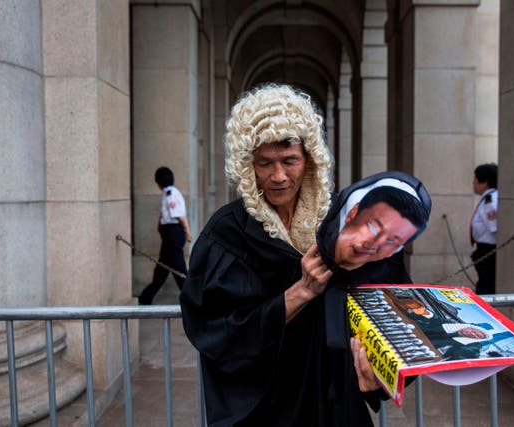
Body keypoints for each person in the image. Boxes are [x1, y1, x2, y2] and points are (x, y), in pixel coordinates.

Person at [181, 84, 430, 426]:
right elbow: (212, 330)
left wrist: (384, 373)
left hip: (337, 402)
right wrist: (300, 293)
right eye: (264, 163)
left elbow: (394, 308)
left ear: (310, 158)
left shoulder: (346, 225)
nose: (279, 176)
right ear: (246, 165)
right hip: (266, 409)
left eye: (289, 161)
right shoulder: (226, 235)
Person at [139, 166, 193, 305]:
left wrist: (187, 231)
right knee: (162, 269)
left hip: (173, 234)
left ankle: (193, 299)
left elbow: (179, 216)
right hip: (170, 235)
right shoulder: (170, 192)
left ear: (159, 182)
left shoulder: (170, 193)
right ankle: (145, 298)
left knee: (179, 268)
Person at [470, 163, 498, 295]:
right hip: (484, 248)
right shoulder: (488, 197)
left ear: (484, 182)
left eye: (475, 179)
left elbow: (493, 226)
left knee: (485, 286)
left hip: (488, 249)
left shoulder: (490, 199)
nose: (473, 183)